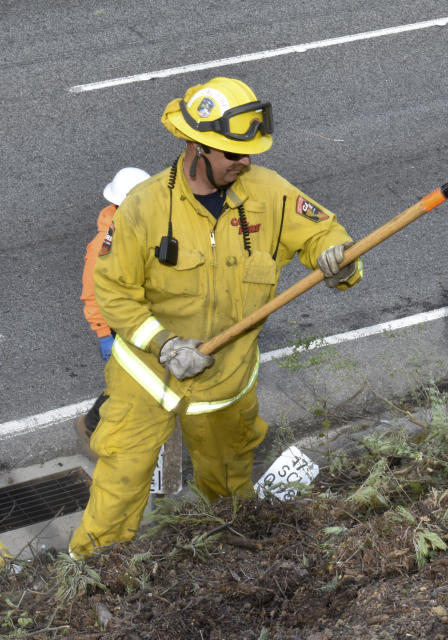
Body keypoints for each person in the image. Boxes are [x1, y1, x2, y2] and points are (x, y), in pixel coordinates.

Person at [69, 77, 363, 557]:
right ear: (196, 147)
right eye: (233, 154)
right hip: (145, 377)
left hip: (225, 383)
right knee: (118, 491)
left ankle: (233, 562)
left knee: (230, 490)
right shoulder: (143, 207)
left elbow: (323, 232)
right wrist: (163, 344)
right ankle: (88, 581)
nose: (245, 162)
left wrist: (338, 257)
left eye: (249, 152)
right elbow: (113, 291)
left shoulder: (267, 193)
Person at [75, 167, 151, 461]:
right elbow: (91, 293)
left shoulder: (144, 226)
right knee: (125, 384)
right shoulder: (102, 247)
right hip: (119, 326)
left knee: (139, 381)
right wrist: (103, 334)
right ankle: (92, 427)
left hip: (143, 317)